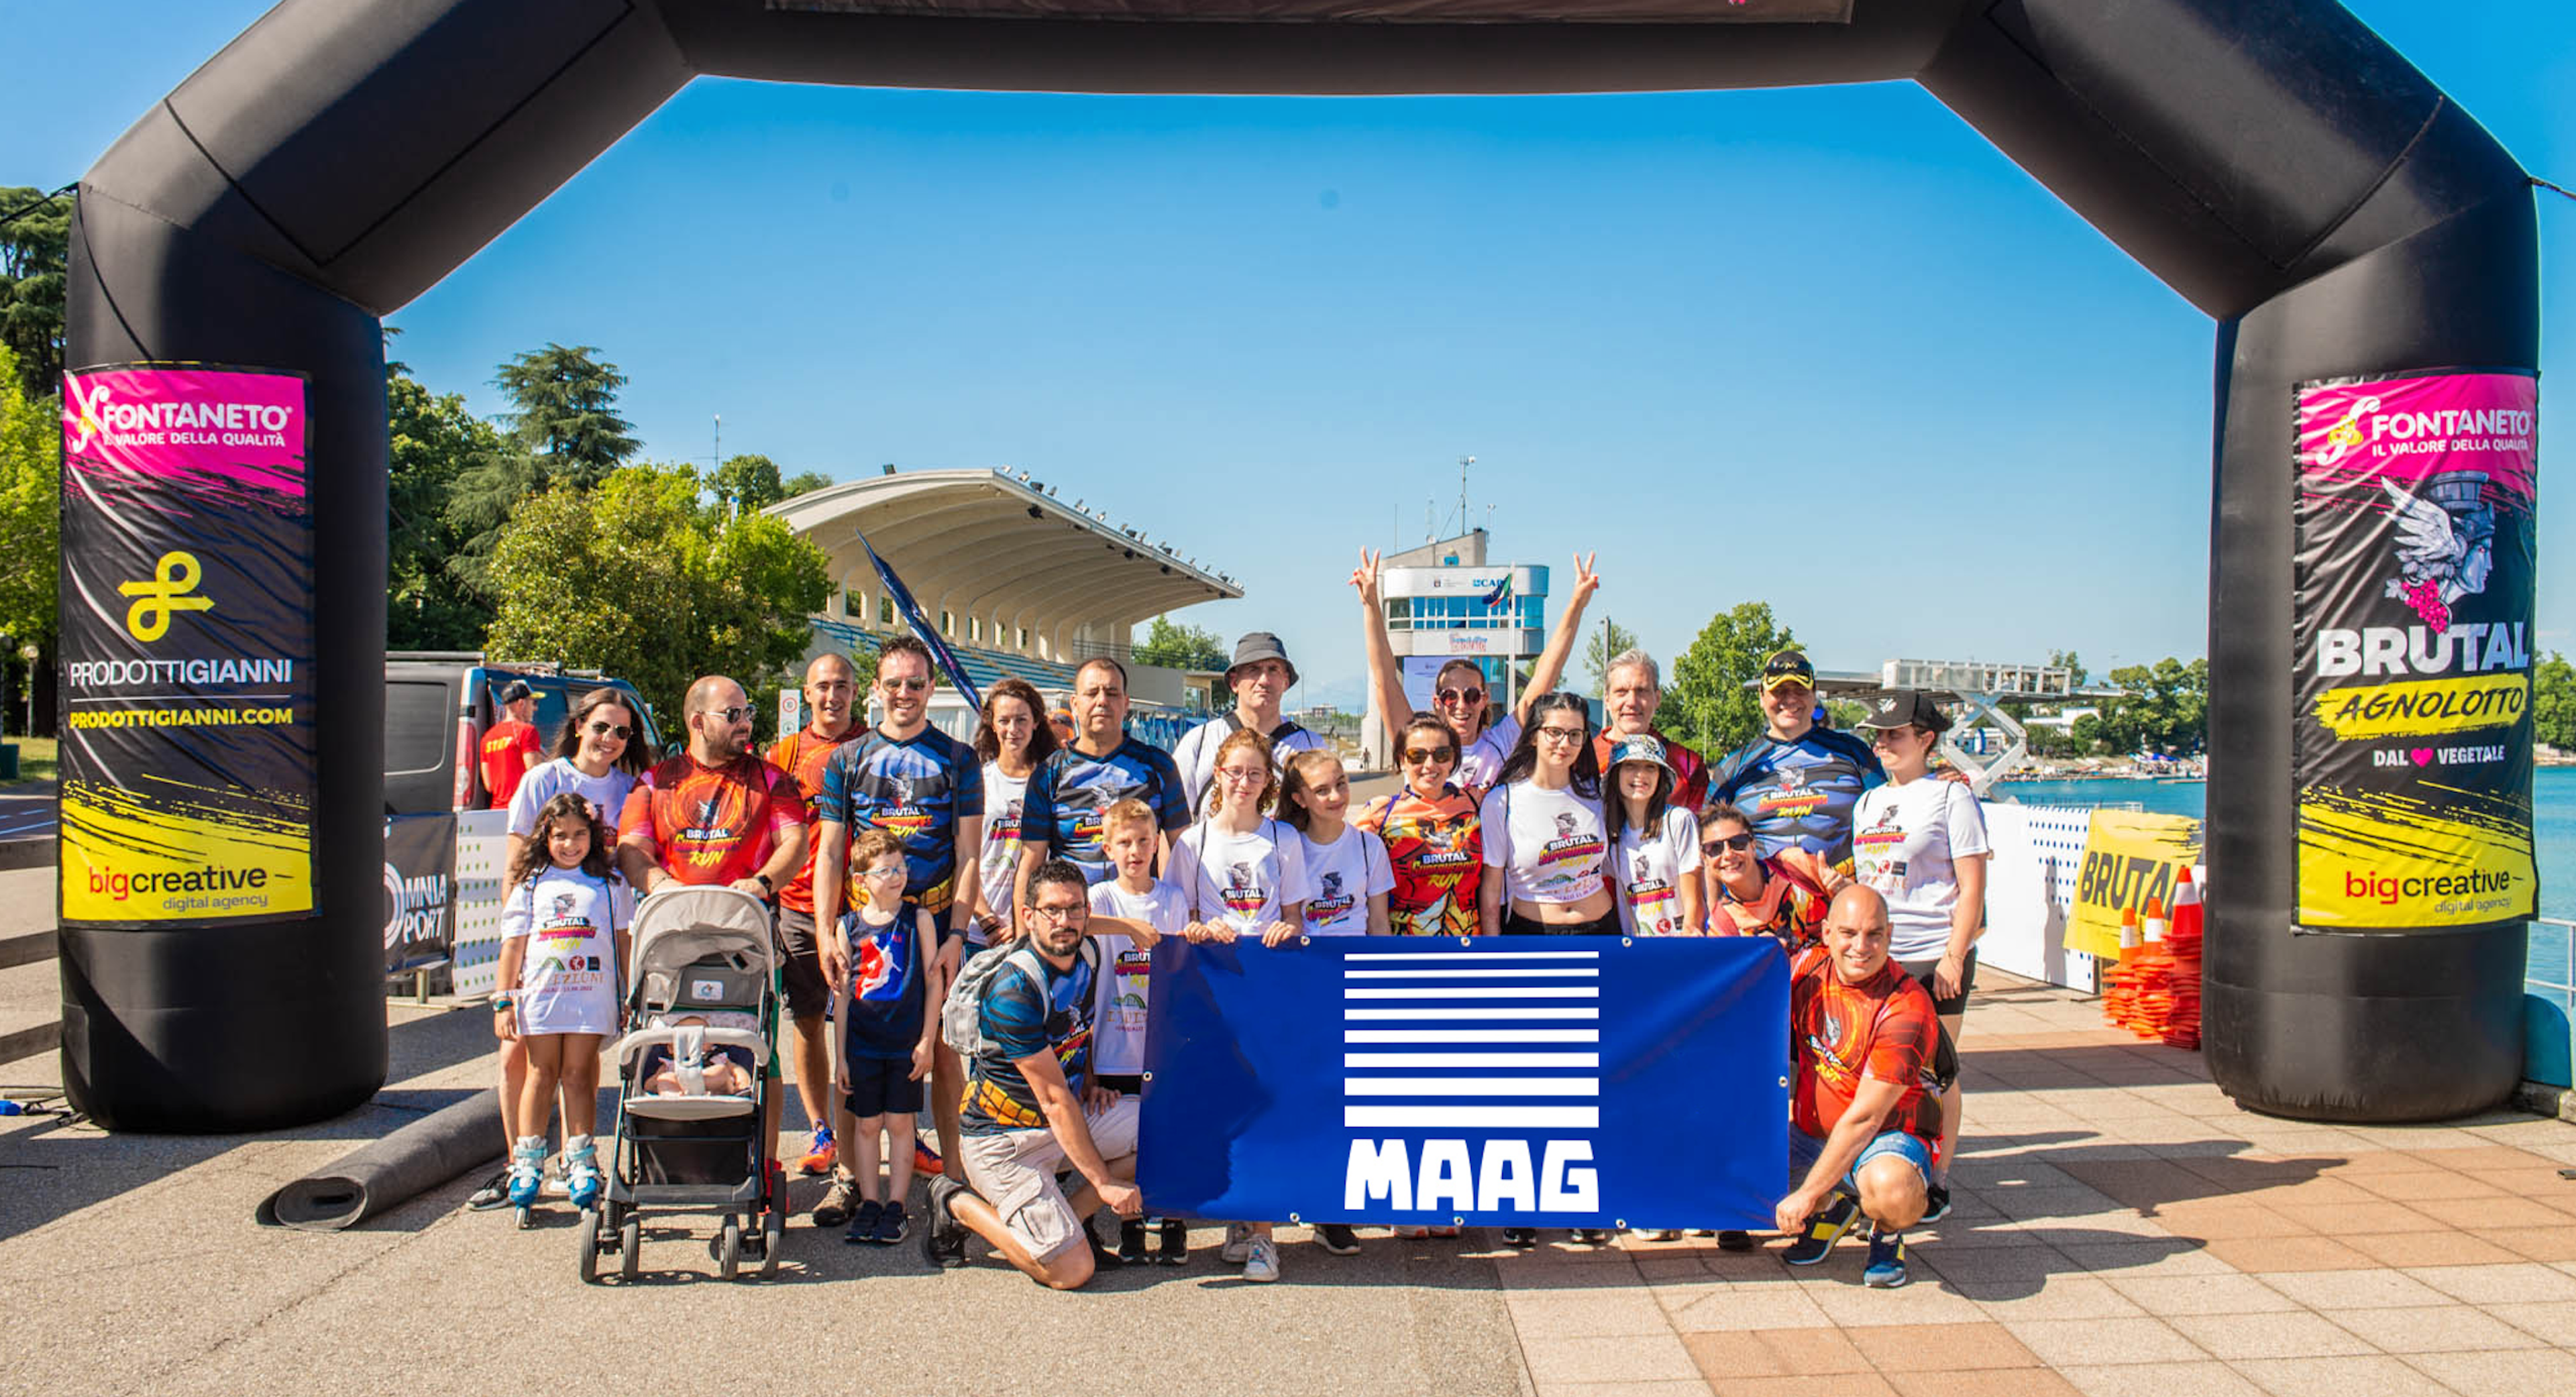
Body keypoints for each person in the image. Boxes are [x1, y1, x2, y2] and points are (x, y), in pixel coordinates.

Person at [922, 859, 1161, 1290]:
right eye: (1052, 910)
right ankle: (957, 1203)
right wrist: (1104, 1182)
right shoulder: (1015, 991)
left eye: (1075, 909)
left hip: (1059, 1123)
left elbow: (1078, 1016)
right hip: (1004, 1140)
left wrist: (1130, 925)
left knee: (1165, 1133)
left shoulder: (1084, 950)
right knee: (1071, 1271)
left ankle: (1065, 1215)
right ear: (1028, 916)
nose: (1065, 921)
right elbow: (1053, 1099)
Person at [810, 636, 985, 1217]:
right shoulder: (848, 758)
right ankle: (846, 1175)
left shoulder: (958, 758)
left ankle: (954, 1179)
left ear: (932, 688)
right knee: (858, 1045)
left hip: (934, 916)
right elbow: (831, 855)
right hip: (867, 926)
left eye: (916, 683)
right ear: (877, 689)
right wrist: (824, 930)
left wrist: (958, 931)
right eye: (894, 683)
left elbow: (969, 855)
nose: (905, 693)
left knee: (941, 1049)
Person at [468, 685, 649, 1211]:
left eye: (621, 731)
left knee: (581, 1061)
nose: (610, 738)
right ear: (578, 726)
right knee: (518, 1058)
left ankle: (577, 1156)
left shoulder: (629, 786)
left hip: (595, 933)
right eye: (601, 727)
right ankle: (519, 1162)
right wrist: (517, 955)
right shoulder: (541, 779)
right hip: (542, 939)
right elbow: (517, 861)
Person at [616, 674, 810, 1151]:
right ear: (698, 721)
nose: (745, 723)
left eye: (748, 713)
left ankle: (763, 1165)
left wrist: (763, 881)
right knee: (666, 1043)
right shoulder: (655, 783)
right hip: (674, 934)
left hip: (743, 936)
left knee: (761, 1054)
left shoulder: (770, 780)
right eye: (734, 714)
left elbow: (796, 843)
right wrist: (659, 882)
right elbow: (631, 847)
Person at [1167, 728, 1308, 1281]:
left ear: (1267, 780)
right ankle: (1237, 1217)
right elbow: (1179, 921)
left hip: (1267, 986)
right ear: (1217, 776)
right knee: (1224, 1105)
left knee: (1266, 1106)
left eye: (1255, 773)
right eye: (1234, 772)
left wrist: (1284, 929)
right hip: (1213, 987)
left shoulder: (1283, 840)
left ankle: (1265, 1237)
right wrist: (1200, 928)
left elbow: (1296, 917)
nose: (1243, 782)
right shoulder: (1191, 844)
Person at [1474, 691, 1615, 1247]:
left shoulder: (1595, 794)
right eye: (1554, 731)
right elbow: (1491, 894)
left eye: (1575, 734)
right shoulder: (1503, 801)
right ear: (1534, 733)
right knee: (1528, 1080)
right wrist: (1492, 961)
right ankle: (1524, 1199)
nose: (1563, 742)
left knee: (1590, 1076)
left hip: (1600, 938)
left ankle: (1585, 1201)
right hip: (1531, 939)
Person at [1850, 691, 1988, 1223]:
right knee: (1880, 1069)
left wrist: (1955, 953)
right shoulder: (1868, 802)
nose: (1883, 743)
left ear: (1926, 739)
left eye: (1895, 734)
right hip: (1881, 957)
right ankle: (1886, 1170)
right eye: (1879, 735)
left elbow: (1973, 885)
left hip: (1935, 953)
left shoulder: (1951, 799)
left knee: (1938, 1072)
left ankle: (1939, 1178)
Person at [1778, 885, 1942, 1289]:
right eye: (1849, 933)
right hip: (1812, 1134)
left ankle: (1885, 1231)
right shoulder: (1806, 969)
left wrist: (1805, 1193)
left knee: (1894, 1195)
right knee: (1732, 1174)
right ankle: (1836, 1207)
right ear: (1827, 933)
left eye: (1874, 934)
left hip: (1885, 1139)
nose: (1861, 946)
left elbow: (1867, 1118)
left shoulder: (1907, 1005)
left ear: (1890, 935)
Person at [1350, 549, 1596, 797]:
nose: (1461, 705)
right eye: (1449, 696)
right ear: (1437, 702)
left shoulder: (1502, 741)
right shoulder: (1417, 741)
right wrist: (1371, 604)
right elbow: (1385, 680)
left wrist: (1577, 605)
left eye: (1471, 695)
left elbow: (1546, 675)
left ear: (1484, 700)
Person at [1277, 746, 1391, 1256]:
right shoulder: (1285, 846)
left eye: (1341, 784)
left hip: (1358, 983)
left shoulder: (1369, 847)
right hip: (1305, 985)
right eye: (1322, 789)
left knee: (1353, 1101)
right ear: (1299, 796)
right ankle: (1305, 1201)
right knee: (1307, 1099)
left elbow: (1379, 923)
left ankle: (1337, 1205)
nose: (1336, 796)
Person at [493, 793, 631, 1213]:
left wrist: (629, 994)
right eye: (560, 836)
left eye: (579, 835)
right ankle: (528, 1159)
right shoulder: (531, 885)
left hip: (590, 994)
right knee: (540, 1071)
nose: (570, 844)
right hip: (543, 997)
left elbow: (624, 942)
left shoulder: (610, 885)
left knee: (577, 1074)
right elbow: (513, 947)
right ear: (544, 837)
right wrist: (503, 1000)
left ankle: (581, 1156)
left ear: (593, 836)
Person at [763, 653, 864, 1181]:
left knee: (871, 1026)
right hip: (800, 908)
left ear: (856, 691)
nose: (832, 696)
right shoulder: (784, 754)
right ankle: (823, 1129)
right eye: (823, 686)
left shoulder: (873, 746)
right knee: (808, 1023)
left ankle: (885, 1128)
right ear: (806, 693)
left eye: (842, 686)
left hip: (868, 909)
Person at [1085, 797, 1190, 1264]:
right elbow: (1080, 924)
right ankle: (1130, 1224)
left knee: (1168, 1133)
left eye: (1143, 841)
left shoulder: (1171, 898)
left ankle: (1172, 1220)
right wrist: (1129, 926)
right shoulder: (1103, 897)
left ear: (1156, 844)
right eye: (1124, 842)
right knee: (1129, 1141)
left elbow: (1184, 960)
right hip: (1113, 1047)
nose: (1134, 851)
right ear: (1107, 848)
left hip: (1161, 1046)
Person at [833, 830, 943, 1245]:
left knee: (900, 1124)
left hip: (904, 1043)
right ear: (860, 880)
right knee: (865, 1126)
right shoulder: (848, 927)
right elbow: (841, 998)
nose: (897, 877)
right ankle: (870, 1202)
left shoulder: (919, 920)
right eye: (885, 871)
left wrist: (927, 1039)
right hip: (863, 1043)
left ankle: (897, 1205)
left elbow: (934, 983)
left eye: (900, 868)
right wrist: (841, 1056)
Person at [1015, 657, 1189, 901]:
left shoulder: (1158, 766)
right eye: (1092, 693)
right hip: (1072, 922)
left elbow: (1183, 852)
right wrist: (1025, 935)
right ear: (1075, 704)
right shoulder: (1048, 774)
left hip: (1142, 920)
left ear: (1126, 703)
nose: (1102, 701)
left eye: (1112, 693)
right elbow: (1031, 863)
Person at [1709, 649, 1886, 870]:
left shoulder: (1853, 752)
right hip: (1762, 898)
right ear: (1762, 697)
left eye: (1800, 690)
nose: (1790, 699)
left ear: (1814, 695)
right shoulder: (1733, 767)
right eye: (1779, 691)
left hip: (1840, 892)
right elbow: (1707, 841)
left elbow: (1889, 813)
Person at [1169, 632, 1332, 814]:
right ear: (1234, 682)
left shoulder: (1311, 746)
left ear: (1285, 681)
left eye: (1273, 670)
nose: (1264, 680)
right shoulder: (1200, 741)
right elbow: (1174, 821)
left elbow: (1327, 819)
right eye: (1254, 670)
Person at [1355, 714, 1485, 942]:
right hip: (1404, 948)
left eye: (1442, 755)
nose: (1430, 765)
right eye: (1417, 756)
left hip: (1467, 947)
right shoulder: (1379, 814)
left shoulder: (1478, 803)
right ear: (1402, 759)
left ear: (1454, 759)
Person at [969, 677, 1060, 950]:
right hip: (980, 932)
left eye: (1021, 720)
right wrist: (988, 921)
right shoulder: (978, 781)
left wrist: (1024, 928)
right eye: (1004, 720)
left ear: (1036, 722)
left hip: (1036, 929)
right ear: (992, 723)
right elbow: (964, 858)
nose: (1013, 729)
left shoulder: (1052, 781)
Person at [1703, 801, 1846, 948]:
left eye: (1738, 843)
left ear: (1753, 845)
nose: (1728, 854)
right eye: (1715, 848)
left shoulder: (1794, 864)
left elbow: (1859, 908)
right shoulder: (1721, 927)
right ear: (1704, 859)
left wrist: (1844, 889)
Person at [1603, 732, 1704, 938]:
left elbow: (1694, 897)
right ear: (1616, 776)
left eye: (1650, 767)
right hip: (1635, 952)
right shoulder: (1609, 833)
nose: (1641, 775)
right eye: (1631, 766)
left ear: (1661, 776)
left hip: (1679, 945)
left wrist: (1691, 936)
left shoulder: (1679, 821)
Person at [1591, 650, 1711, 814]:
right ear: (1607, 700)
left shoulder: (1688, 764)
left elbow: (1701, 832)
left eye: (1642, 691)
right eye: (1621, 692)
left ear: (1658, 698)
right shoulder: (1583, 759)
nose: (1632, 702)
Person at [480, 679, 541, 809]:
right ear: (521, 703)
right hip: (523, 809)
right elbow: (536, 774)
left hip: (496, 811)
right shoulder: (526, 731)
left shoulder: (487, 738)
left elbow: (489, 785)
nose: (535, 708)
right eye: (533, 702)